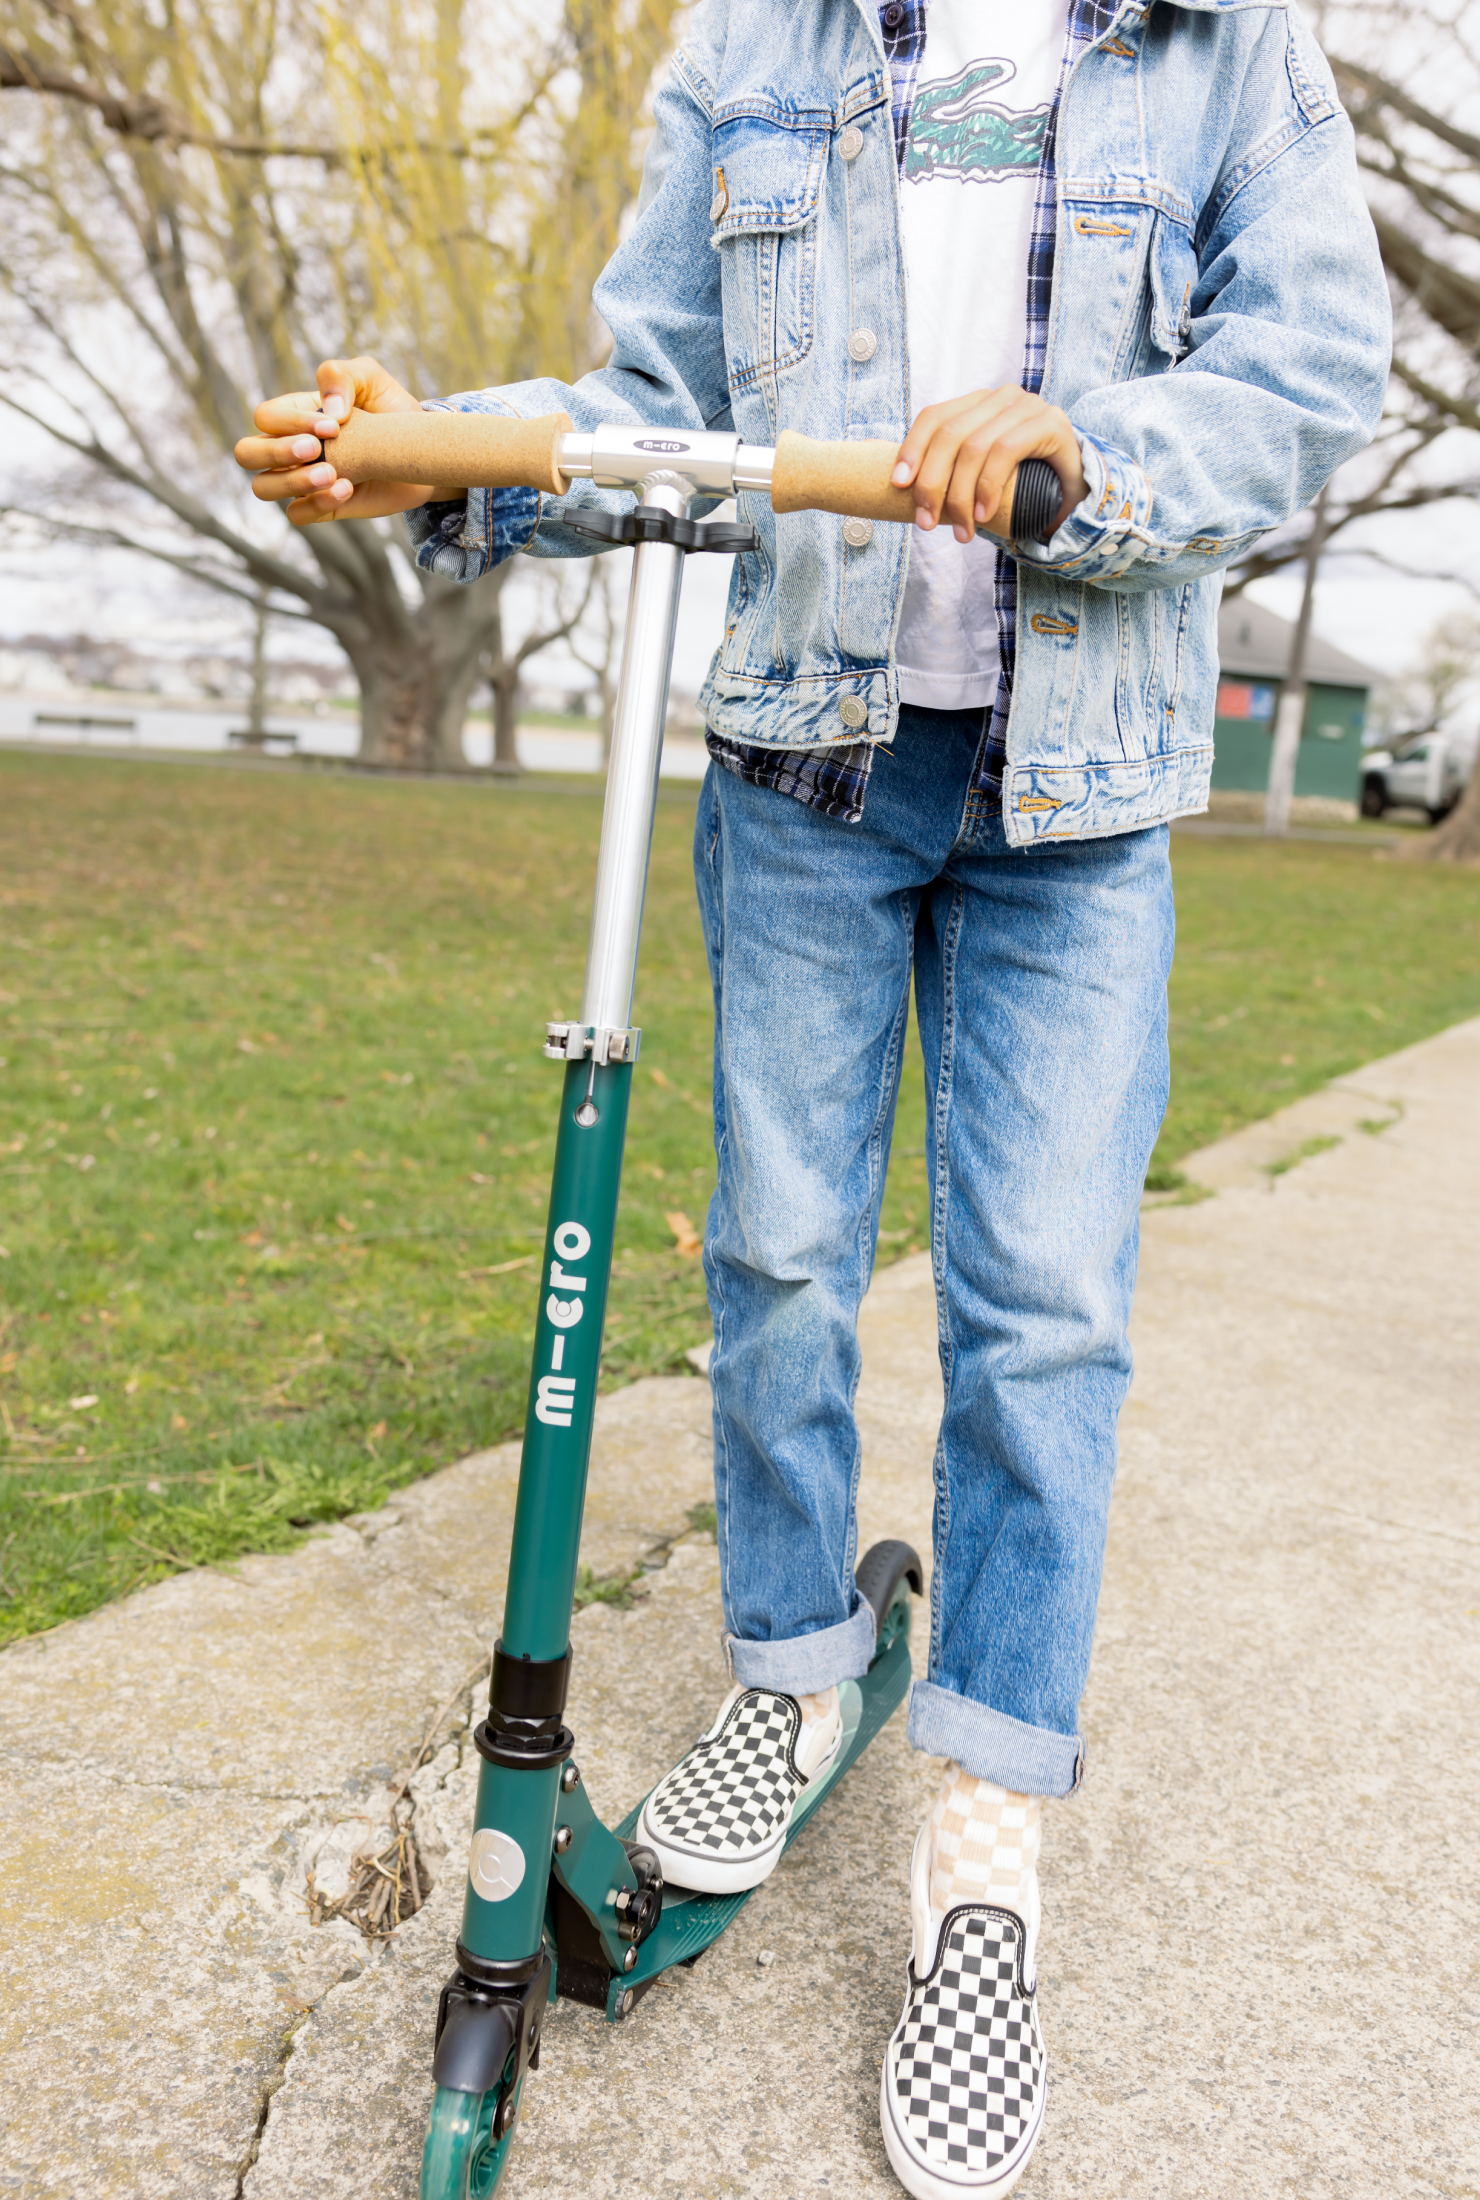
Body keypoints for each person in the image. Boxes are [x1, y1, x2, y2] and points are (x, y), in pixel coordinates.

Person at [236, 2, 1389, 2189]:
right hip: (803, 762)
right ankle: (788, 1673)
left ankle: (983, 1836)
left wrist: (1087, 443)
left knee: (1040, 1304)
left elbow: (1312, 367)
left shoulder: (1222, 42)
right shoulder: (755, 43)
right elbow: (654, 402)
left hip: (1077, 789)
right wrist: (441, 453)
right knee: (773, 1248)